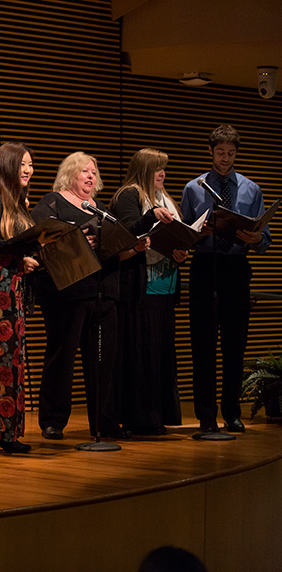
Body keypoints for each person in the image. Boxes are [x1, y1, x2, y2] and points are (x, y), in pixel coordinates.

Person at [31, 151, 129, 440]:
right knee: (62, 357)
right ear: (70, 173)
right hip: (68, 294)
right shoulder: (52, 203)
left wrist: (129, 246)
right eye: (85, 171)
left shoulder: (100, 208)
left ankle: (103, 421)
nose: (91, 176)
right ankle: (53, 420)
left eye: (94, 172)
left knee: (103, 361)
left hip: (103, 292)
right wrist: (75, 241)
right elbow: (40, 242)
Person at [181, 124, 271, 434]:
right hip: (205, 266)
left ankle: (232, 413)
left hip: (236, 267)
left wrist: (255, 236)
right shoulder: (195, 188)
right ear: (210, 151)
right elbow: (183, 235)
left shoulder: (250, 188)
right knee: (202, 345)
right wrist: (197, 233)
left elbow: (265, 237)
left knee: (235, 345)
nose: (225, 159)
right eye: (220, 153)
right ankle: (206, 416)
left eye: (231, 154)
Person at [110, 149, 186, 435]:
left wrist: (181, 252)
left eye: (164, 169)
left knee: (160, 354)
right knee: (141, 352)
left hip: (165, 284)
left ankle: (158, 415)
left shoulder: (165, 197)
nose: (162, 174)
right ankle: (140, 417)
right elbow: (127, 230)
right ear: (143, 169)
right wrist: (151, 216)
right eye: (157, 169)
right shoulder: (129, 195)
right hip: (139, 285)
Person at [0, 142, 44, 454]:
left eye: (30, 164)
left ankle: (10, 434)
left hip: (14, 283)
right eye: (22, 164)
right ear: (8, 166)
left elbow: (18, 247)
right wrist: (30, 241)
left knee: (13, 362)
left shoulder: (20, 202)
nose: (28, 170)